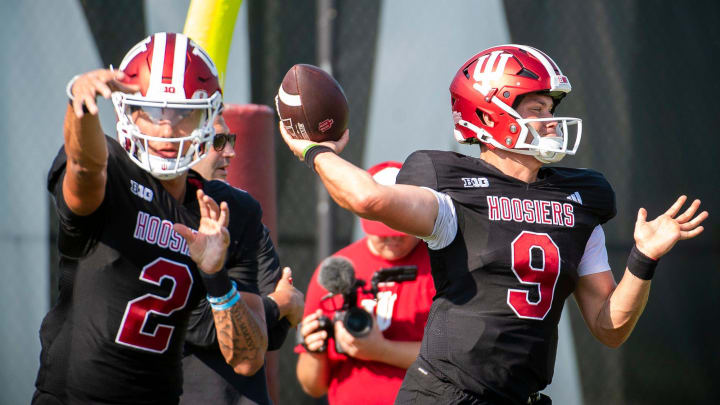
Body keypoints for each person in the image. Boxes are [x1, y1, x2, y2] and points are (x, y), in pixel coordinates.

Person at [279, 44, 709, 405]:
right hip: (446, 395)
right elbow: (368, 198)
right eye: (537, 108)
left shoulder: (580, 199)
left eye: (550, 108)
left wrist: (643, 260)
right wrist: (316, 151)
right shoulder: (452, 187)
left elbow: (609, 328)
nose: (552, 121)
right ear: (488, 116)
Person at [34, 32, 268, 405]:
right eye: (150, 111)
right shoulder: (112, 172)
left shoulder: (224, 212)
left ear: (208, 117)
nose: (165, 129)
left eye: (182, 114)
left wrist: (216, 276)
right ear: (126, 111)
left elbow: (248, 360)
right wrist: (79, 103)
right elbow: (85, 167)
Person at [181, 110, 305, 405]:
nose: (232, 152)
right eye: (219, 141)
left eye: (232, 139)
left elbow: (270, 337)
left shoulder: (241, 209)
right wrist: (279, 304)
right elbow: (194, 324)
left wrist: (263, 315)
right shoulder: (155, 211)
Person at [295, 161, 436, 404]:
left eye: (399, 227)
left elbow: (459, 362)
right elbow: (312, 386)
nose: (391, 237)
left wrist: (381, 351)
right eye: (382, 228)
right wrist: (314, 351)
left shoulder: (443, 267)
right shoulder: (336, 271)